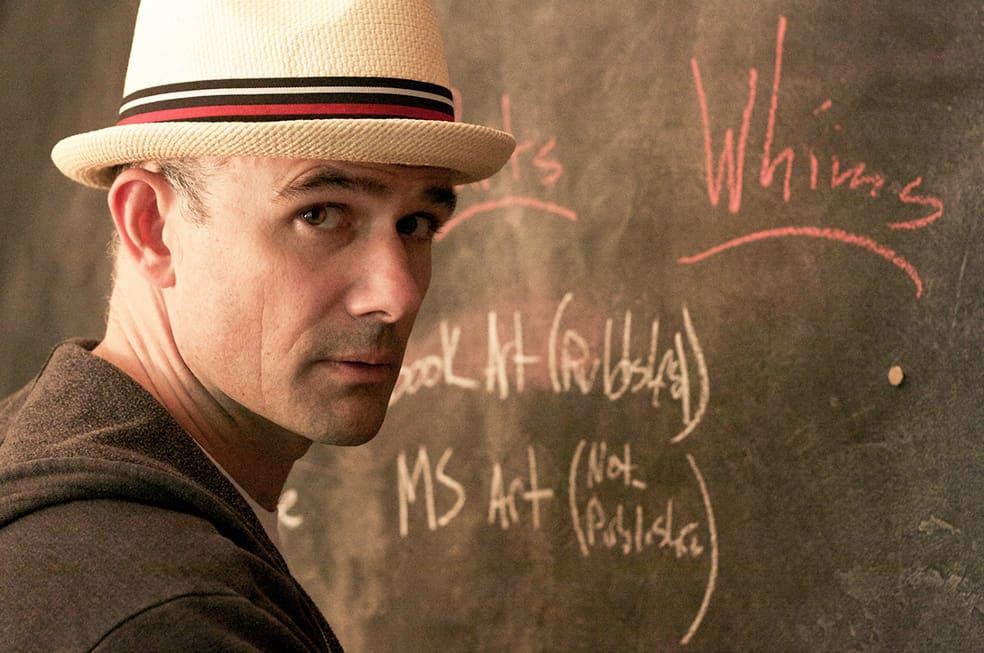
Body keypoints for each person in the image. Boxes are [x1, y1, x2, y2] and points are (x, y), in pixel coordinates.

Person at [0, 1, 513, 651]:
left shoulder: (38, 460)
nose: (398, 295)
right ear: (151, 227)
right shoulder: (166, 621)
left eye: (416, 224)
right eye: (321, 214)